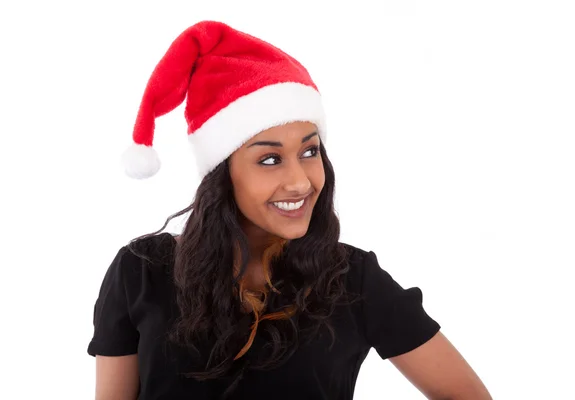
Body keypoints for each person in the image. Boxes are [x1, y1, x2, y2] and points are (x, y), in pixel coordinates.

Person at [87, 20, 493, 400]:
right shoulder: (140, 272)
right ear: (222, 174)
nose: (301, 182)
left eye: (309, 151)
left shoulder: (353, 280)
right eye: (269, 160)